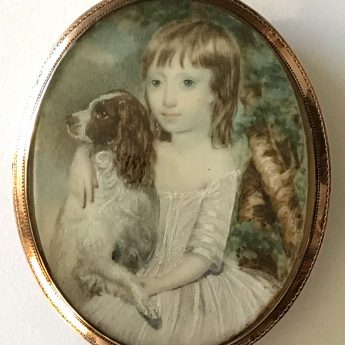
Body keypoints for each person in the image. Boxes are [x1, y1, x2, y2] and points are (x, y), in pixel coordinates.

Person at [70, 19, 277, 345]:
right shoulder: (148, 149)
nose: (167, 99)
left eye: (187, 83)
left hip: (191, 287)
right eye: (156, 82)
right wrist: (80, 160)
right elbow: (103, 149)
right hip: (140, 273)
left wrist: (154, 285)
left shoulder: (220, 165)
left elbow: (205, 252)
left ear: (218, 91)